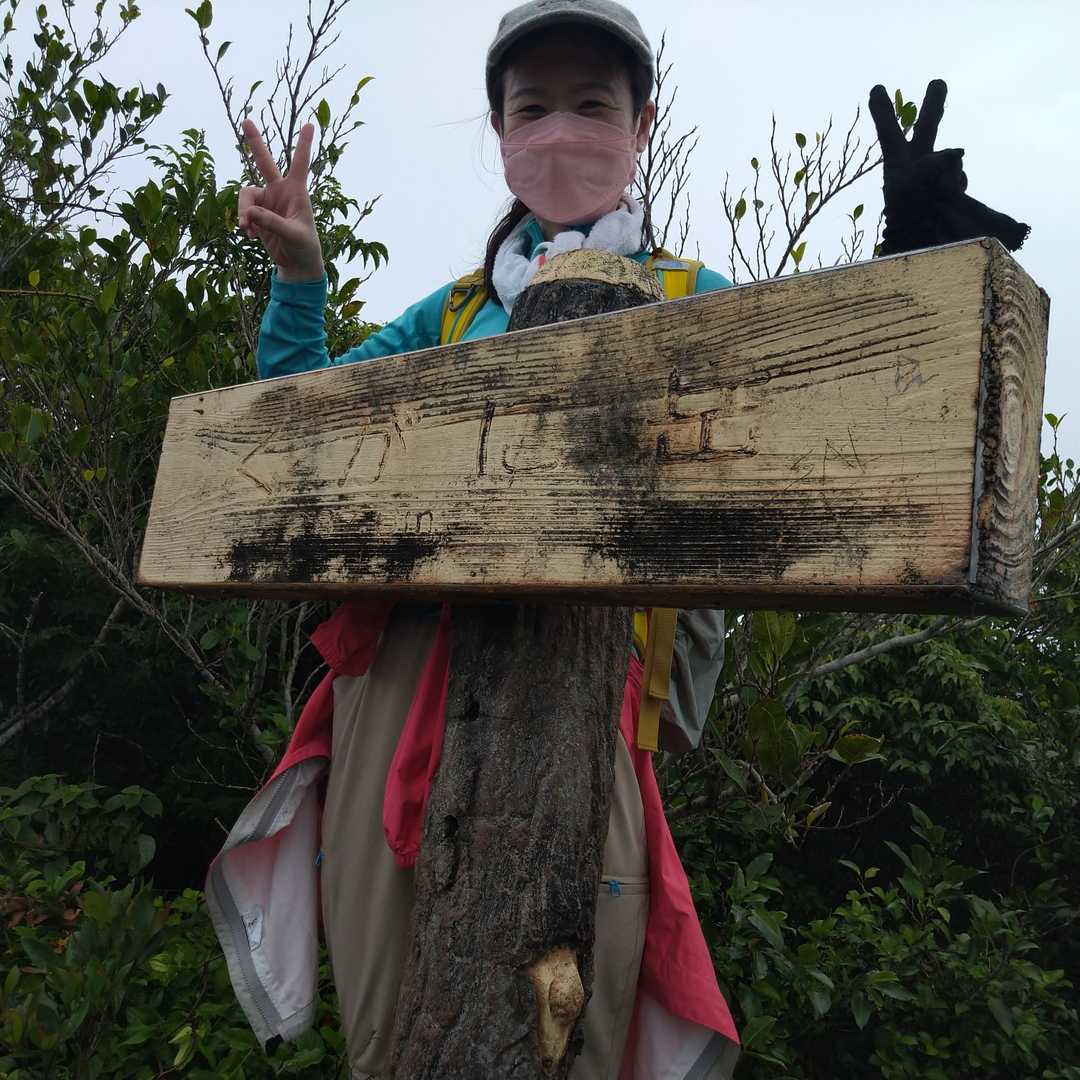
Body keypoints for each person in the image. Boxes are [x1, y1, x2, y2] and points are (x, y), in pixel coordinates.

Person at [207, 3, 1030, 1078]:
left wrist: (912, 266)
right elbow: (298, 436)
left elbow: (837, 416)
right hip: (398, 693)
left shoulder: (693, 300)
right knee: (393, 1029)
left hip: (591, 705)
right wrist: (300, 278)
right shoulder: (447, 316)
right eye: (532, 107)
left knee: (570, 1022)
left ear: (643, 122)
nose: (560, 129)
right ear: (499, 131)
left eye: (593, 103)